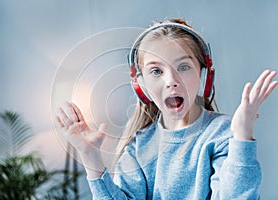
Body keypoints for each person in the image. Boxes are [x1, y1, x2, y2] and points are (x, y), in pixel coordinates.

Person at [55, 18, 278, 199]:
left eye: (183, 66)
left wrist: (241, 137)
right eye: (156, 71)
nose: (171, 80)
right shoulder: (138, 146)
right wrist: (91, 159)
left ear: (204, 76)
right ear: (140, 85)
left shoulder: (222, 134)